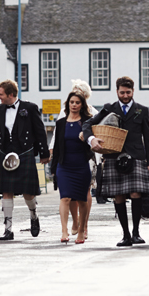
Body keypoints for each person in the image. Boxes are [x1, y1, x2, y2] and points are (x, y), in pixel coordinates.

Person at [83, 76, 149, 247]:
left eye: (128, 92)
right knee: (119, 196)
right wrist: (91, 139)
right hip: (114, 157)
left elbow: (148, 138)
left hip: (136, 157)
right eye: (122, 92)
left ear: (133, 91)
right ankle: (126, 235)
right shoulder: (109, 108)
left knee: (136, 193)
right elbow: (87, 124)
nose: (125, 95)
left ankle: (136, 232)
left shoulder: (141, 110)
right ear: (117, 91)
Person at [0, 79, 49, 240]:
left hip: (25, 152)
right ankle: (8, 229)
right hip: (5, 153)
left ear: (11, 94)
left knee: (28, 193)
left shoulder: (29, 108)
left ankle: (33, 216)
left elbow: (40, 131)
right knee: (6, 192)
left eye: (1, 94)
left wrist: (44, 153)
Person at [48, 79, 98, 239]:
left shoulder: (91, 115)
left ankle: (84, 226)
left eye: (79, 95)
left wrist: (89, 138)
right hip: (65, 162)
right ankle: (69, 226)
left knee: (84, 194)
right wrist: (52, 153)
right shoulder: (63, 116)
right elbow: (56, 135)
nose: (75, 102)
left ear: (84, 98)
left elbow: (98, 133)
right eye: (72, 99)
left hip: (85, 161)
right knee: (66, 196)